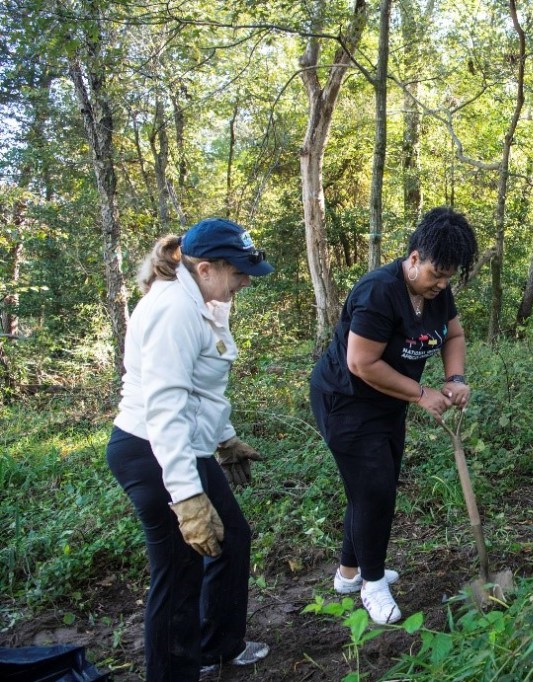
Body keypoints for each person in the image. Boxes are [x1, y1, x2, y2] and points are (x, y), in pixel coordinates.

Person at [106, 217, 272, 681]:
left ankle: (217, 646)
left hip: (183, 445)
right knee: (179, 571)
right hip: (150, 450)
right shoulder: (172, 310)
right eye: (237, 272)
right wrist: (187, 497)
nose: (243, 281)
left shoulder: (202, 301)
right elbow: (165, 408)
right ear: (205, 269)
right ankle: (172, 673)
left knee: (230, 538)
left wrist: (224, 438)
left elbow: (202, 390)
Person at [309, 206, 478, 625]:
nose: (441, 284)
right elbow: (361, 363)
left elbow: (452, 334)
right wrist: (422, 393)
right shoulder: (378, 292)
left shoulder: (437, 292)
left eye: (449, 277)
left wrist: (453, 377)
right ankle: (372, 582)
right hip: (345, 400)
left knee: (372, 486)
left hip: (387, 401)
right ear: (414, 257)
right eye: (436, 273)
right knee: (375, 490)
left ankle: (348, 574)